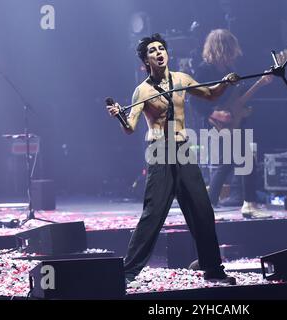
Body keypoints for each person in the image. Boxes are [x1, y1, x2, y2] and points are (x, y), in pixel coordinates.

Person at [107, 33, 239, 286]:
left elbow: (210, 94)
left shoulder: (181, 79)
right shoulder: (142, 91)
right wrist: (119, 115)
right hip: (159, 151)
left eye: (161, 49)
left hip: (183, 149)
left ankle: (212, 269)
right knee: (154, 214)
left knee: (202, 209)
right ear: (146, 61)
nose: (159, 53)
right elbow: (130, 126)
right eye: (152, 51)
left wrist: (225, 83)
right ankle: (127, 273)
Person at [191, 29, 273, 219]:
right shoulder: (204, 70)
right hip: (215, 122)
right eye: (231, 49)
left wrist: (257, 90)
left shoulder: (230, 71)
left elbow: (236, 100)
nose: (235, 53)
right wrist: (215, 113)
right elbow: (194, 100)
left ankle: (215, 206)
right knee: (243, 160)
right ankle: (248, 205)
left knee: (231, 162)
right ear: (223, 48)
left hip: (232, 121)